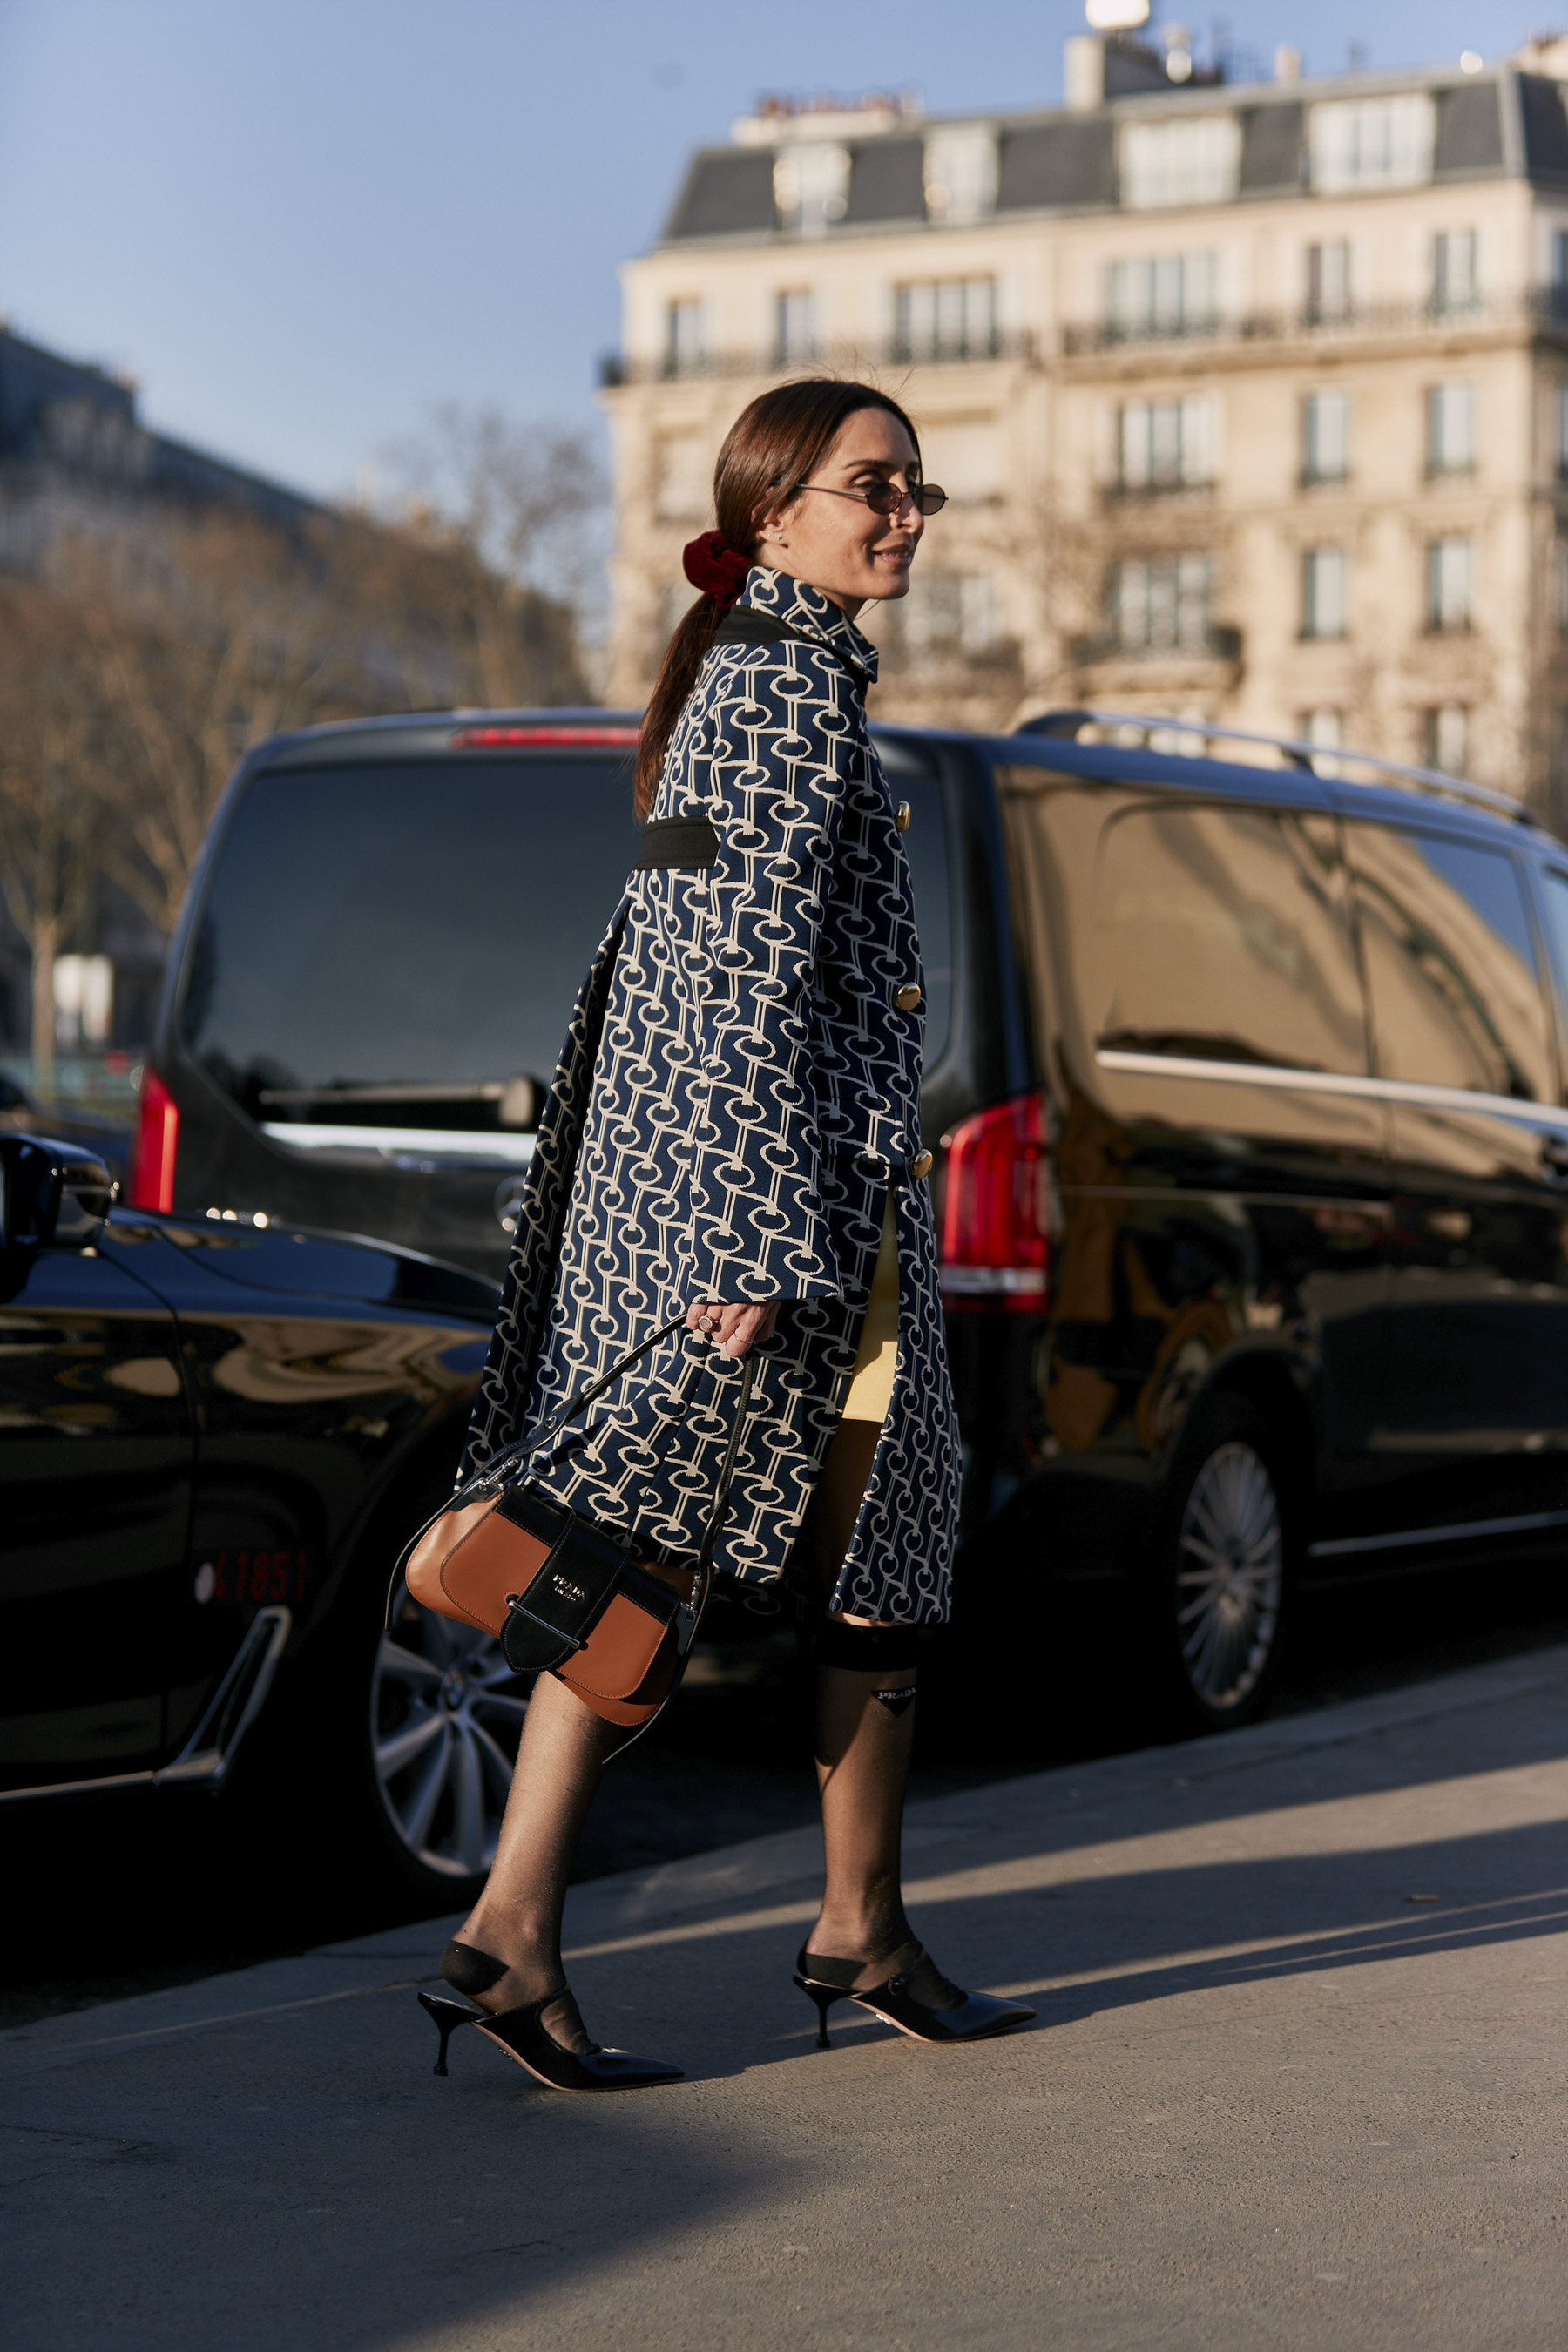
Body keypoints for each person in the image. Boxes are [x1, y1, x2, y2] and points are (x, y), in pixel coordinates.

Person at [419, 378, 1034, 2091]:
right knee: (687, 1552)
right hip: (777, 1227)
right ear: (773, 515)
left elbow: (666, 941)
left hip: (771, 1207)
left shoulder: (755, 686)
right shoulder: (774, 701)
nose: (907, 510)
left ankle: (696, 1927)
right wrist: (744, 1230)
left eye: (918, 485)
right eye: (873, 486)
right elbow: (722, 977)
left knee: (691, 1549)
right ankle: (580, 1928)